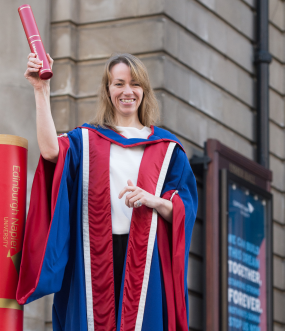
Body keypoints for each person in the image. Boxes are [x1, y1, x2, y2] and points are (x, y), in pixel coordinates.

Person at [16, 52, 198, 331]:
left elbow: (185, 208)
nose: (127, 91)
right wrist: (41, 90)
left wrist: (155, 201)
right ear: (107, 90)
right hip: (94, 255)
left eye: (135, 84)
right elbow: (52, 151)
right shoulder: (87, 140)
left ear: (144, 91)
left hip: (146, 260)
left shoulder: (168, 148)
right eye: (119, 83)